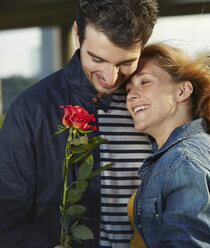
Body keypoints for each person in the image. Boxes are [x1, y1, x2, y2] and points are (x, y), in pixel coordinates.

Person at [0, 0, 158, 247]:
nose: (110, 78)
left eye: (125, 63)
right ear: (77, 34)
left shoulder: (161, 101)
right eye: (97, 59)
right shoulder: (31, 109)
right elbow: (6, 216)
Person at [125, 43, 210, 247]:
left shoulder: (184, 162)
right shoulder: (175, 156)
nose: (131, 95)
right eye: (129, 89)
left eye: (144, 82)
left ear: (182, 90)